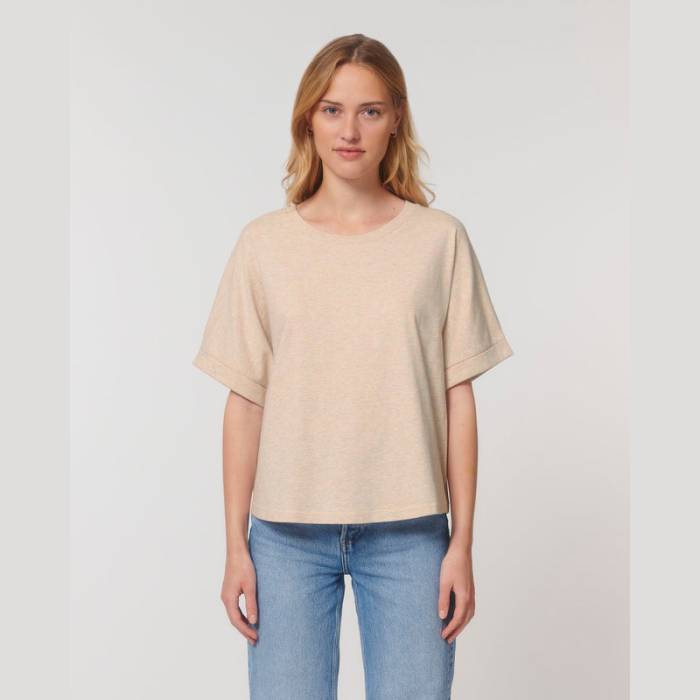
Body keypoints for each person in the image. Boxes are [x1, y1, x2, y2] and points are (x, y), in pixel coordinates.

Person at [193, 33, 514, 700]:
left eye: (370, 111)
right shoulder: (264, 245)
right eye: (332, 110)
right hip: (284, 537)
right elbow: (245, 402)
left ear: (396, 118)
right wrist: (234, 546)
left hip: (411, 535)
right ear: (307, 119)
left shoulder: (439, 241)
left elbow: (457, 399)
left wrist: (462, 544)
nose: (349, 130)